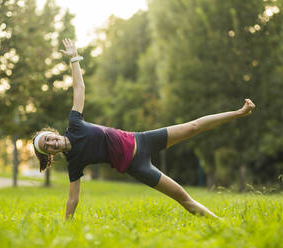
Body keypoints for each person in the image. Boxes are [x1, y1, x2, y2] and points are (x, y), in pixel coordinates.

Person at [33, 38, 256, 220]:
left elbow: (79, 87)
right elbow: (73, 199)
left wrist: (74, 58)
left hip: (142, 140)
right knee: (183, 198)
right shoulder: (74, 162)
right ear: (51, 155)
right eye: (47, 147)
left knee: (193, 127)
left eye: (48, 139)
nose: (52, 143)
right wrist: (66, 225)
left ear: (52, 132)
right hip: (137, 165)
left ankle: (238, 112)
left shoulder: (74, 124)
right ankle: (223, 226)